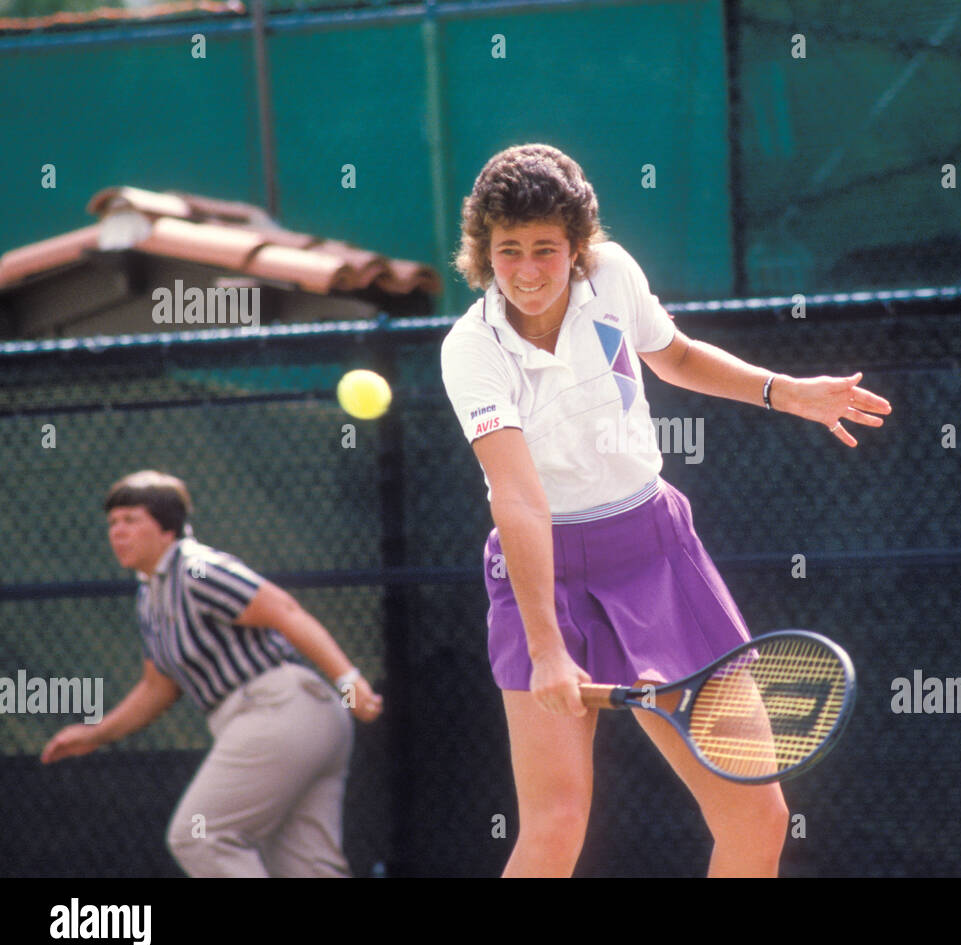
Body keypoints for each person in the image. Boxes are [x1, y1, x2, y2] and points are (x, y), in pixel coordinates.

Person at [440, 144, 891, 876]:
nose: (526, 270)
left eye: (546, 250)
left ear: (578, 248)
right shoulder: (471, 351)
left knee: (757, 814)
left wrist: (784, 390)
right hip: (542, 573)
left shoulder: (614, 274)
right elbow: (518, 497)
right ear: (482, 251)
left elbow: (673, 354)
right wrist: (548, 648)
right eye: (507, 250)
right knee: (554, 825)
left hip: (656, 552)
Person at [40, 470, 383, 877]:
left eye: (131, 520)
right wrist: (96, 733)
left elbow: (285, 611)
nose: (118, 532)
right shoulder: (150, 595)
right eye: (113, 523)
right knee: (305, 868)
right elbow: (158, 687)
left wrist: (348, 679)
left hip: (279, 710)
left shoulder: (196, 569)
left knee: (199, 836)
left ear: (167, 528)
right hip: (298, 723)